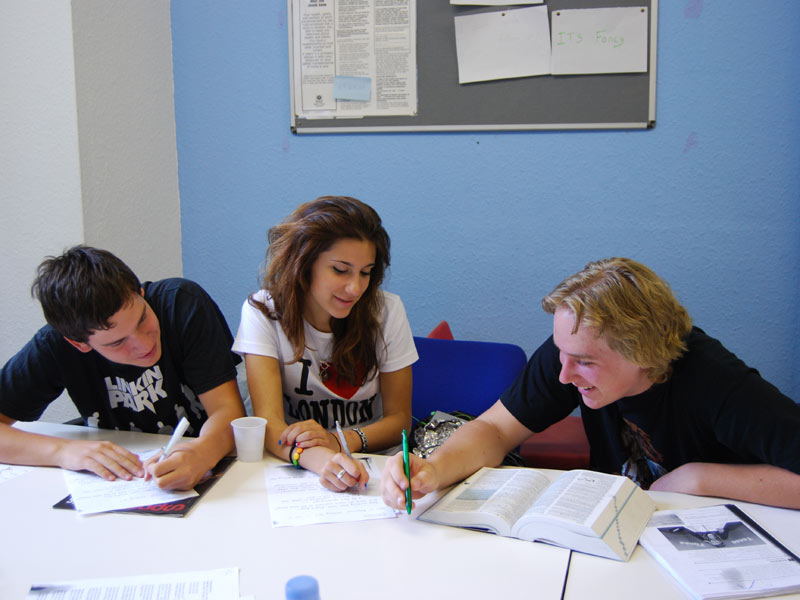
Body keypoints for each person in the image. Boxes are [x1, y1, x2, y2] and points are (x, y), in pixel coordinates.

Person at [382, 258, 800, 510]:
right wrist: (434, 469)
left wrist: (700, 479)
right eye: (561, 354)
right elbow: (495, 429)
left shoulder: (715, 382)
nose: (563, 375)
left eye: (584, 362)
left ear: (644, 353)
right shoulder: (572, 346)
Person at [0, 246, 245, 490]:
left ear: (140, 293)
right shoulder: (53, 345)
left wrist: (203, 452)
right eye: (117, 342)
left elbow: (228, 411)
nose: (144, 344)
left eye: (142, 319)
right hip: (120, 483)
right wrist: (62, 451)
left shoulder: (181, 303)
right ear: (79, 344)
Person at [233, 196, 417, 492]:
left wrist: (340, 441)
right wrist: (320, 459)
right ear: (303, 264)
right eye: (340, 270)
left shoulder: (386, 311)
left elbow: (400, 421)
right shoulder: (262, 312)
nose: (355, 287)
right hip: (294, 465)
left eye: (365, 272)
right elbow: (269, 425)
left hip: (371, 465)